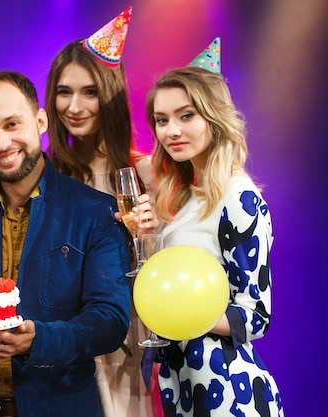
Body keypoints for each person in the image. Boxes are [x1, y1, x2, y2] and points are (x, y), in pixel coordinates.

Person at [0, 70, 132, 417]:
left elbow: (109, 321)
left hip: (62, 406)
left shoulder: (95, 212)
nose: (2, 143)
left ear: (40, 121)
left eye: (12, 125)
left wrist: (40, 340)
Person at [147, 56, 284, 415]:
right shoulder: (187, 195)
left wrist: (181, 315)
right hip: (183, 381)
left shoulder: (239, 199)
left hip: (226, 388)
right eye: (162, 120)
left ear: (214, 117)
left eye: (186, 115)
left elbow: (255, 315)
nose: (171, 131)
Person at [44, 8, 161, 417]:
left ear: (109, 95)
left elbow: (174, 272)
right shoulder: (47, 174)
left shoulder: (145, 174)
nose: (74, 106)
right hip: (55, 341)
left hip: (123, 338)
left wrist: (150, 235)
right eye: (64, 91)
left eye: (89, 92)